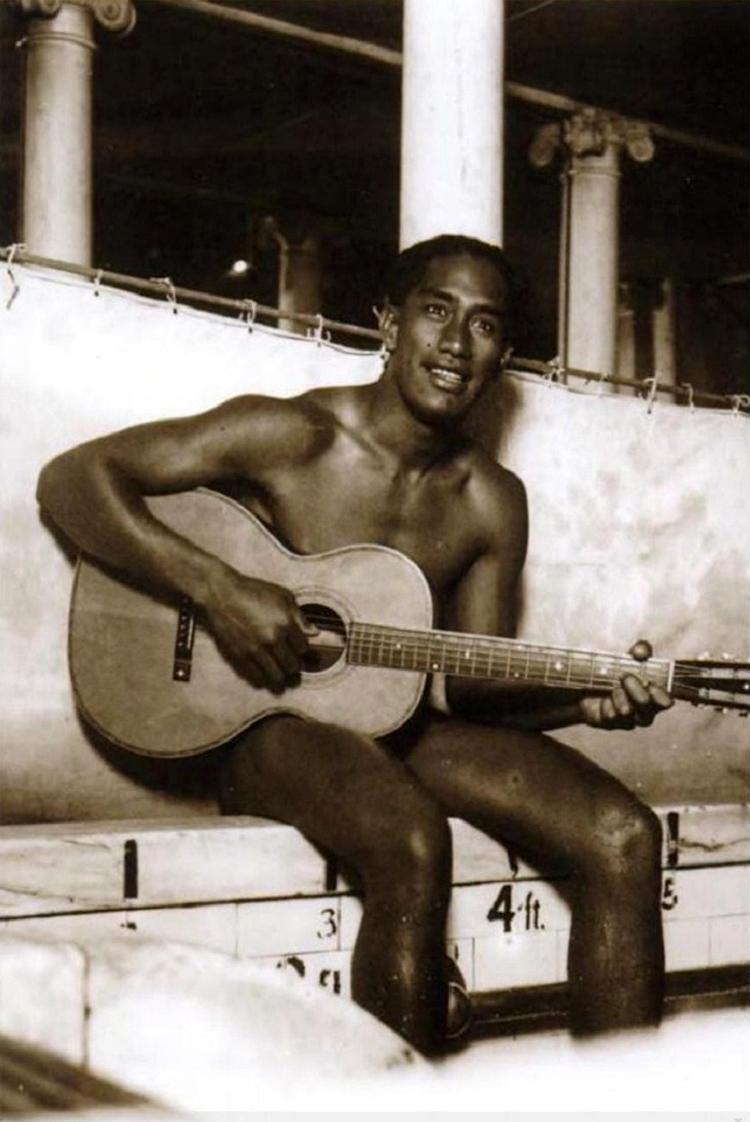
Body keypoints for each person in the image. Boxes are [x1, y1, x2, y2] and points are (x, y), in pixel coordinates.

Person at [36, 234, 673, 1057]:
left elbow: (467, 682)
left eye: (483, 325)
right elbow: (73, 480)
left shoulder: (491, 502)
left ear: (502, 354)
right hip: (267, 727)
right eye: (436, 311)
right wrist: (220, 591)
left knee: (623, 835)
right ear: (388, 323)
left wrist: (586, 700)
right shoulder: (294, 434)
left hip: (403, 724)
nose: (454, 342)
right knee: (409, 839)